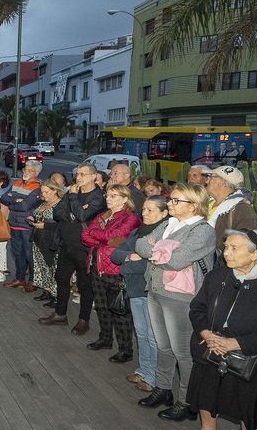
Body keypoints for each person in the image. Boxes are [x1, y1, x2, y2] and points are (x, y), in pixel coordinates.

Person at [182, 229, 257, 430]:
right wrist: (205, 333)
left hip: (249, 356)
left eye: (235, 248)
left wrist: (236, 343)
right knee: (206, 391)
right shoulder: (218, 276)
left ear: (255, 254)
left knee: (247, 402)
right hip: (211, 347)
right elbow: (197, 308)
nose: (226, 253)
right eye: (226, 247)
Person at [133, 183, 216, 420]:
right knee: (163, 345)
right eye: (171, 200)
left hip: (180, 297)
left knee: (183, 352)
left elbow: (176, 261)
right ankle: (163, 388)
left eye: (176, 201)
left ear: (194, 204)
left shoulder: (201, 231)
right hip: (156, 290)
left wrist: (155, 250)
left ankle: (186, 401)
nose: (170, 204)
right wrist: (161, 249)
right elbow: (140, 242)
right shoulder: (169, 224)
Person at [112, 195, 168, 393]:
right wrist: (130, 256)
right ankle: (143, 370)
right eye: (143, 209)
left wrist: (131, 263)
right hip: (135, 289)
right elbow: (115, 255)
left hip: (152, 291)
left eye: (150, 210)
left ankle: (154, 378)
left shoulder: (166, 235)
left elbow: (152, 263)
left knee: (154, 337)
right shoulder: (137, 232)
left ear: (164, 213)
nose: (144, 213)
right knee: (141, 333)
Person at [41, 163, 106, 335]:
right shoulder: (72, 193)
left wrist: (73, 201)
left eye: (84, 174)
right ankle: (60, 314)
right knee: (61, 279)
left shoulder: (98, 196)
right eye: (78, 174)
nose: (79, 177)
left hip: (84, 248)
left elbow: (83, 216)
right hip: (65, 244)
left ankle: (83, 320)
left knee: (85, 285)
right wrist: (73, 212)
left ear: (94, 176)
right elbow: (57, 213)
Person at [81, 184, 141, 358]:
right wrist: (102, 238)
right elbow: (85, 236)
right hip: (97, 266)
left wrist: (99, 235)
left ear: (125, 198)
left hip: (115, 269)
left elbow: (114, 238)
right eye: (108, 195)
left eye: (114, 196)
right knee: (101, 307)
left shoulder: (130, 218)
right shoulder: (103, 215)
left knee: (119, 310)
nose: (108, 198)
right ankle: (105, 339)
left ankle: (125, 349)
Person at [1, 160, 43, 292]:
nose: (25, 172)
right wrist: (16, 200)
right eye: (25, 169)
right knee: (17, 254)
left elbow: (25, 206)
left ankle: (32, 281)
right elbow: (3, 198)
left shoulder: (38, 188)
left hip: (27, 226)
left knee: (29, 255)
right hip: (14, 224)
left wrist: (14, 201)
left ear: (36, 173)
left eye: (29, 170)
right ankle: (20, 278)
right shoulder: (17, 183)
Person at [204, 165, 257, 252]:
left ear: (222, 182)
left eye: (210, 177)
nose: (206, 180)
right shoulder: (206, 202)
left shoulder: (242, 210)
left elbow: (248, 244)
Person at [30, 182, 65, 306]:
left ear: (55, 190)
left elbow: (64, 224)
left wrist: (46, 225)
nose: (43, 194)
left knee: (53, 268)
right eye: (42, 192)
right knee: (42, 266)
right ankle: (47, 291)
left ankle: (56, 296)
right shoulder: (43, 202)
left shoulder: (61, 204)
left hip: (52, 240)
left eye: (47, 192)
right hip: (39, 239)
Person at [0, 171, 12, 281]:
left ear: (1, 182)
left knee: (1, 248)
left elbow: (5, 213)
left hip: (1, 225)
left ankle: (2, 272)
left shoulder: (4, 195)